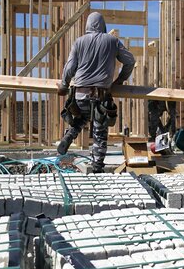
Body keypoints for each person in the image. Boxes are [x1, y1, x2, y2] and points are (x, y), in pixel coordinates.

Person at [56, 13, 135, 172]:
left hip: (79, 94)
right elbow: (130, 61)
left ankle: (69, 136)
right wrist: (119, 81)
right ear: (103, 26)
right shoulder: (112, 41)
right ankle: (97, 168)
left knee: (82, 117)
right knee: (99, 131)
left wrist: (64, 85)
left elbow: (70, 67)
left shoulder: (79, 42)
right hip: (100, 95)